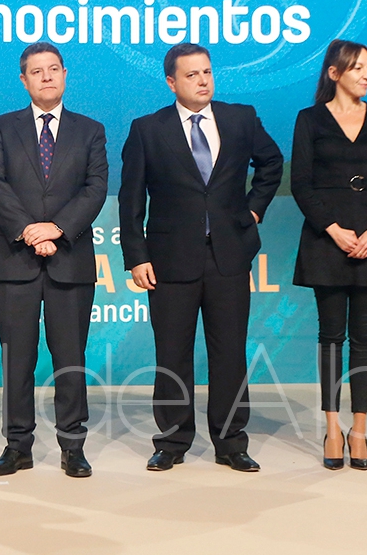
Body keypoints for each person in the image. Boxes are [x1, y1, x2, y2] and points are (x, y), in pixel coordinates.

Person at [119, 43, 283, 472]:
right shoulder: (147, 129)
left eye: (207, 72)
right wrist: (136, 256)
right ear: (171, 82)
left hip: (228, 255)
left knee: (229, 353)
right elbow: (131, 199)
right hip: (169, 259)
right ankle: (172, 442)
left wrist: (253, 209)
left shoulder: (240, 118)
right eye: (191, 75)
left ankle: (231, 443)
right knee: (172, 353)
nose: (203, 81)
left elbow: (271, 163)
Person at [0, 43, 108, 479]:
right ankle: (17, 446)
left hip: (69, 258)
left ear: (65, 74)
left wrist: (56, 228)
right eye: (37, 71)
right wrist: (28, 230)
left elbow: (95, 187)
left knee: (70, 358)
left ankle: (73, 446)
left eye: (54, 69)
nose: (47, 76)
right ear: (24, 80)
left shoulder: (90, 130)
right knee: (17, 359)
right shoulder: (1, 127)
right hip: (14, 258)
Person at [291, 40, 367, 471]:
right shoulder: (310, 119)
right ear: (334, 73)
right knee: (330, 336)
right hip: (328, 240)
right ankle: (332, 428)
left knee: (364, 337)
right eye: (357, 67)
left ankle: (359, 430)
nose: (366, 75)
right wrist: (333, 230)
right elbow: (301, 183)